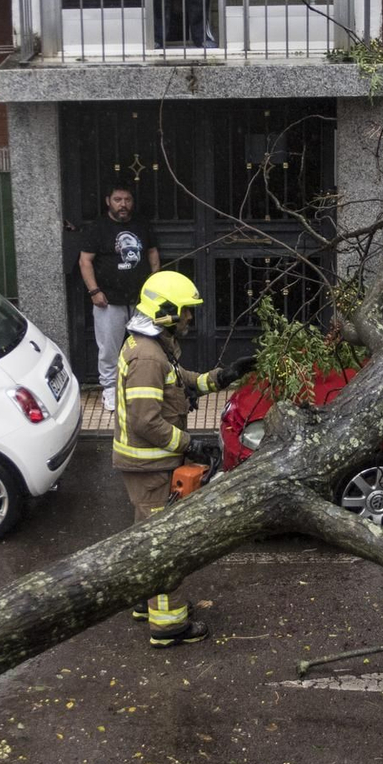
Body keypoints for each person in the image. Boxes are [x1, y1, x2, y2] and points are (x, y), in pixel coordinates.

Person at [113, 270, 252, 647]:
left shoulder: (154, 347)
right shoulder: (147, 356)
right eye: (186, 312)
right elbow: (146, 420)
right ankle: (168, 624)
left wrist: (221, 377)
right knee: (164, 547)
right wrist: (189, 444)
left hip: (152, 465)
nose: (190, 318)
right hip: (150, 466)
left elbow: (181, 380)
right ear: (167, 312)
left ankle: (146, 600)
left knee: (148, 538)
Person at [77, 184, 160, 404]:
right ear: (108, 201)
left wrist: (153, 287)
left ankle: (142, 386)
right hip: (108, 302)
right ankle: (110, 390)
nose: (123, 204)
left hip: (140, 300)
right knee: (109, 349)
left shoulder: (141, 224)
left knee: (145, 346)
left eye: (127, 199)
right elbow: (85, 261)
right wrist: (94, 291)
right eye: (117, 199)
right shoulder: (98, 227)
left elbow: (152, 253)